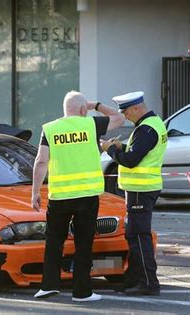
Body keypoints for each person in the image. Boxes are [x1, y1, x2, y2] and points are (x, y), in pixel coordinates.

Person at [32, 91, 125, 302]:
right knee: (84, 243)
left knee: (54, 241)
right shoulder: (91, 125)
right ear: (83, 110)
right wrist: (98, 105)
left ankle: (48, 286)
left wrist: (35, 192)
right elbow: (121, 118)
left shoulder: (51, 128)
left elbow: (40, 162)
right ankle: (82, 292)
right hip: (86, 195)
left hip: (59, 196)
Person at [100, 91, 167, 296]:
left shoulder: (146, 129)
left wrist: (110, 150)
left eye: (127, 112)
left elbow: (131, 161)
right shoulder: (153, 123)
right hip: (142, 189)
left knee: (139, 237)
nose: (125, 116)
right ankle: (133, 279)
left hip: (141, 190)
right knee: (134, 235)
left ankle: (147, 282)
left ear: (137, 109)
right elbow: (139, 151)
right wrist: (123, 146)